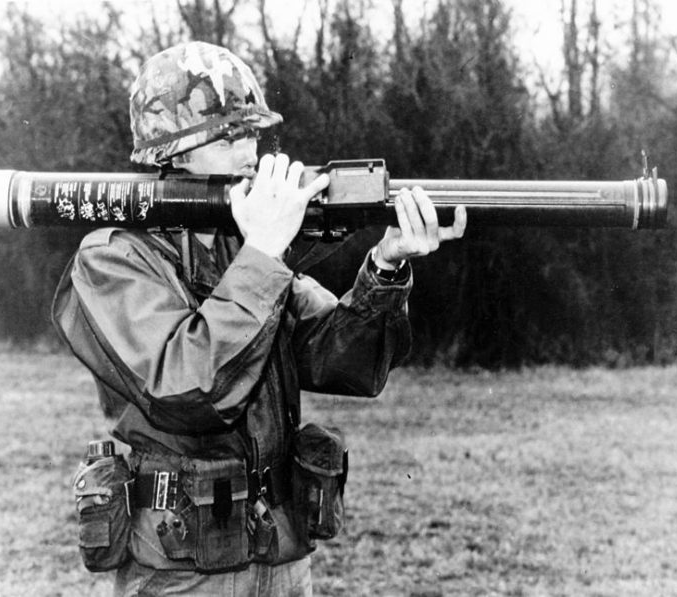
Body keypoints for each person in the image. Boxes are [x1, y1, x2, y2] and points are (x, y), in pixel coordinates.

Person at [52, 41, 467, 596]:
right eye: (228, 136)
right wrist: (265, 253)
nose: (250, 153)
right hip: (180, 569)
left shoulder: (245, 251)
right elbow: (186, 388)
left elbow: (347, 363)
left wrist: (385, 269)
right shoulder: (113, 259)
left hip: (280, 556)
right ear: (172, 152)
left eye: (251, 132)